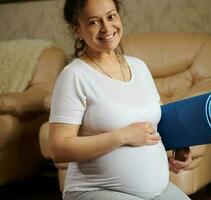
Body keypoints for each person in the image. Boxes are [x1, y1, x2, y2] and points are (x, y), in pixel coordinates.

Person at [49, 0, 192, 199]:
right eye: (93, 22)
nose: (107, 28)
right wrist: (122, 136)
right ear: (77, 30)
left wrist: (180, 147)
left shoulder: (139, 67)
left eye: (111, 16)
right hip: (94, 190)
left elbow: (155, 125)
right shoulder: (74, 75)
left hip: (156, 191)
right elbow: (58, 148)